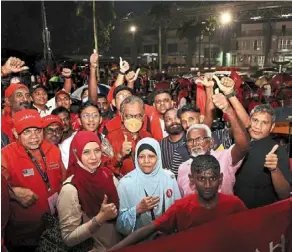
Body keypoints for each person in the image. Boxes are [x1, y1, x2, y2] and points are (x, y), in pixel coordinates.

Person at [109, 155, 247, 250]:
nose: (207, 184)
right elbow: (149, 229)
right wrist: (114, 249)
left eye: (213, 178)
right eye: (201, 179)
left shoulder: (234, 204)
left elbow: (251, 227)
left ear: (221, 178)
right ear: (191, 180)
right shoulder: (181, 207)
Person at [1, 109, 66, 250]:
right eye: (27, 132)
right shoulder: (5, 155)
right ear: (15, 133)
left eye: (37, 130)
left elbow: (64, 180)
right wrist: (13, 193)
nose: (34, 137)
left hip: (53, 227)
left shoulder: (53, 150)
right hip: (23, 236)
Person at [56, 131, 121, 251]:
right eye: (86, 152)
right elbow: (68, 238)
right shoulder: (70, 189)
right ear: (75, 154)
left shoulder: (108, 176)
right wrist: (99, 219)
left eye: (97, 150)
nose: (94, 157)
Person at [177, 93, 249, 197]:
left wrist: (229, 110)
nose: (194, 144)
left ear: (211, 142)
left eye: (199, 139)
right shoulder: (183, 168)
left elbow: (243, 146)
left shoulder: (225, 158)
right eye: (190, 141)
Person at [116, 138, 181, 236]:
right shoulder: (125, 183)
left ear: (158, 157)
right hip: (141, 242)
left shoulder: (169, 178)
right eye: (141, 156)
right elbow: (120, 225)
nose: (146, 161)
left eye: (151, 156)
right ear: (136, 158)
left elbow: (179, 211)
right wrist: (137, 209)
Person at [234, 104, 291, 209]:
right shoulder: (237, 142)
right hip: (232, 210)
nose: (257, 126)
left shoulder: (277, 150)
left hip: (260, 214)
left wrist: (274, 170)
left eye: (264, 123)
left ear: (272, 127)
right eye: (255, 120)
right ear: (248, 120)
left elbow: (285, 194)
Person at [106, 96, 152, 176]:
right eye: (129, 116)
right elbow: (105, 169)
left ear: (143, 117)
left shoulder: (148, 137)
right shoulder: (110, 138)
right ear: (122, 117)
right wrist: (119, 155)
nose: (133, 120)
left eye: (138, 116)